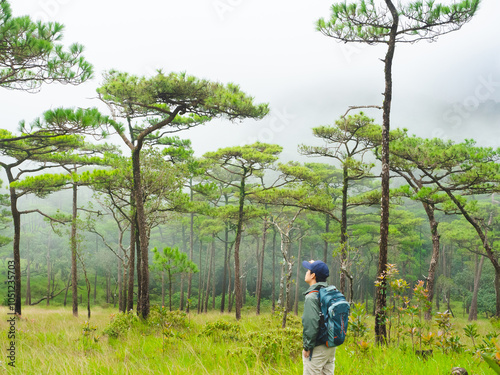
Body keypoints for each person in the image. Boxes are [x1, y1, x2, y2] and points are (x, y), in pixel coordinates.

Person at [301, 260, 336, 375]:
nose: (306, 273)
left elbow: (311, 324)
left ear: (313, 275)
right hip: (331, 345)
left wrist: (307, 346)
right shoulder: (329, 292)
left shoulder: (312, 297)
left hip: (317, 348)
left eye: (308, 270)